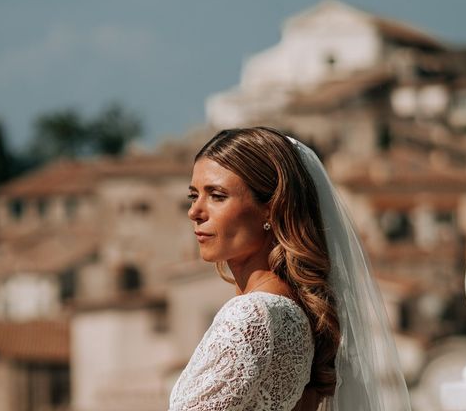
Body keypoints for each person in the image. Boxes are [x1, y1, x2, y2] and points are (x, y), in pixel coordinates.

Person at [168, 127, 411, 411]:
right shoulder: (293, 311)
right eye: (193, 196)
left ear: (272, 208)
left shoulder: (250, 316)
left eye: (217, 196)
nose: (195, 212)